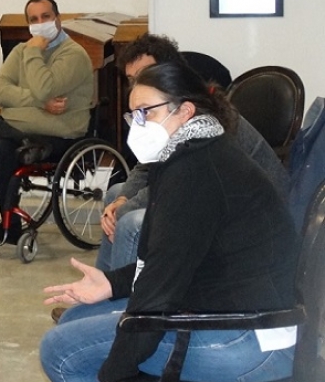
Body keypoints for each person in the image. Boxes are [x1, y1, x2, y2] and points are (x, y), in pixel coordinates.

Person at [39, 60, 298, 382]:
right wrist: (111, 283)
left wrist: (117, 370)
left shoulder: (196, 170)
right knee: (74, 319)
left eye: (147, 112)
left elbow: (161, 286)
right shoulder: (190, 154)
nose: (138, 125)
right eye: (134, 115)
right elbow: (170, 260)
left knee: (60, 351)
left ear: (185, 111)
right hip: (227, 310)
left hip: (249, 341)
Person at [95, 34, 289, 273]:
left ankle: (121, 295)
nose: (138, 85)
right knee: (115, 194)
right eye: (131, 79)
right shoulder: (171, 108)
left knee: (131, 224)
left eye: (145, 74)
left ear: (169, 71)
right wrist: (123, 199)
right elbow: (147, 167)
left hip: (248, 220)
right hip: (210, 199)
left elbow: (174, 182)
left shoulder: (201, 118)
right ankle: (104, 284)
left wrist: (122, 211)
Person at [0, 0, 93, 243]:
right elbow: (0, 92)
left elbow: (44, 87)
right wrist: (40, 103)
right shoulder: (20, 50)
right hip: (23, 134)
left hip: (57, 136)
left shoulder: (73, 55)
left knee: (0, 147)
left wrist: (33, 52)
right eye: (34, 19)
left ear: (58, 19)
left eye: (46, 17)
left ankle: (9, 224)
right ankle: (10, 227)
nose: (40, 23)